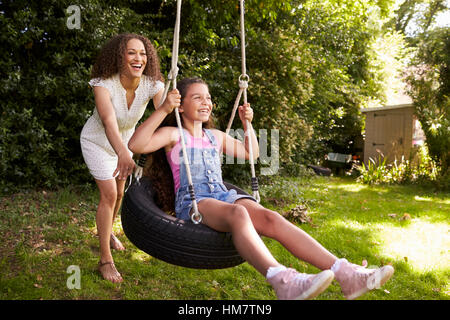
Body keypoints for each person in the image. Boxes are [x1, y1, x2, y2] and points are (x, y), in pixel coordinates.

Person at [128, 77, 394, 300]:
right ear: (181, 106)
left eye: (208, 98)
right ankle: (282, 280)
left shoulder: (215, 136)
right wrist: (163, 109)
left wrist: (247, 124)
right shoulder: (174, 136)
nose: (206, 102)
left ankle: (347, 274)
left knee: (271, 217)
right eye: (197, 98)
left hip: (222, 195)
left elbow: (250, 152)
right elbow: (136, 145)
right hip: (195, 203)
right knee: (239, 215)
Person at [80, 33, 172, 283]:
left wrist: (176, 102)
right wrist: (122, 152)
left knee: (120, 194)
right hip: (98, 142)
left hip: (126, 144)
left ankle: (107, 231)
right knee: (109, 195)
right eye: (132, 52)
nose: (138, 58)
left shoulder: (152, 84)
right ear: (120, 56)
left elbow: (166, 110)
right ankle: (104, 261)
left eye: (143, 53)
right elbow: (109, 122)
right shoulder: (103, 83)